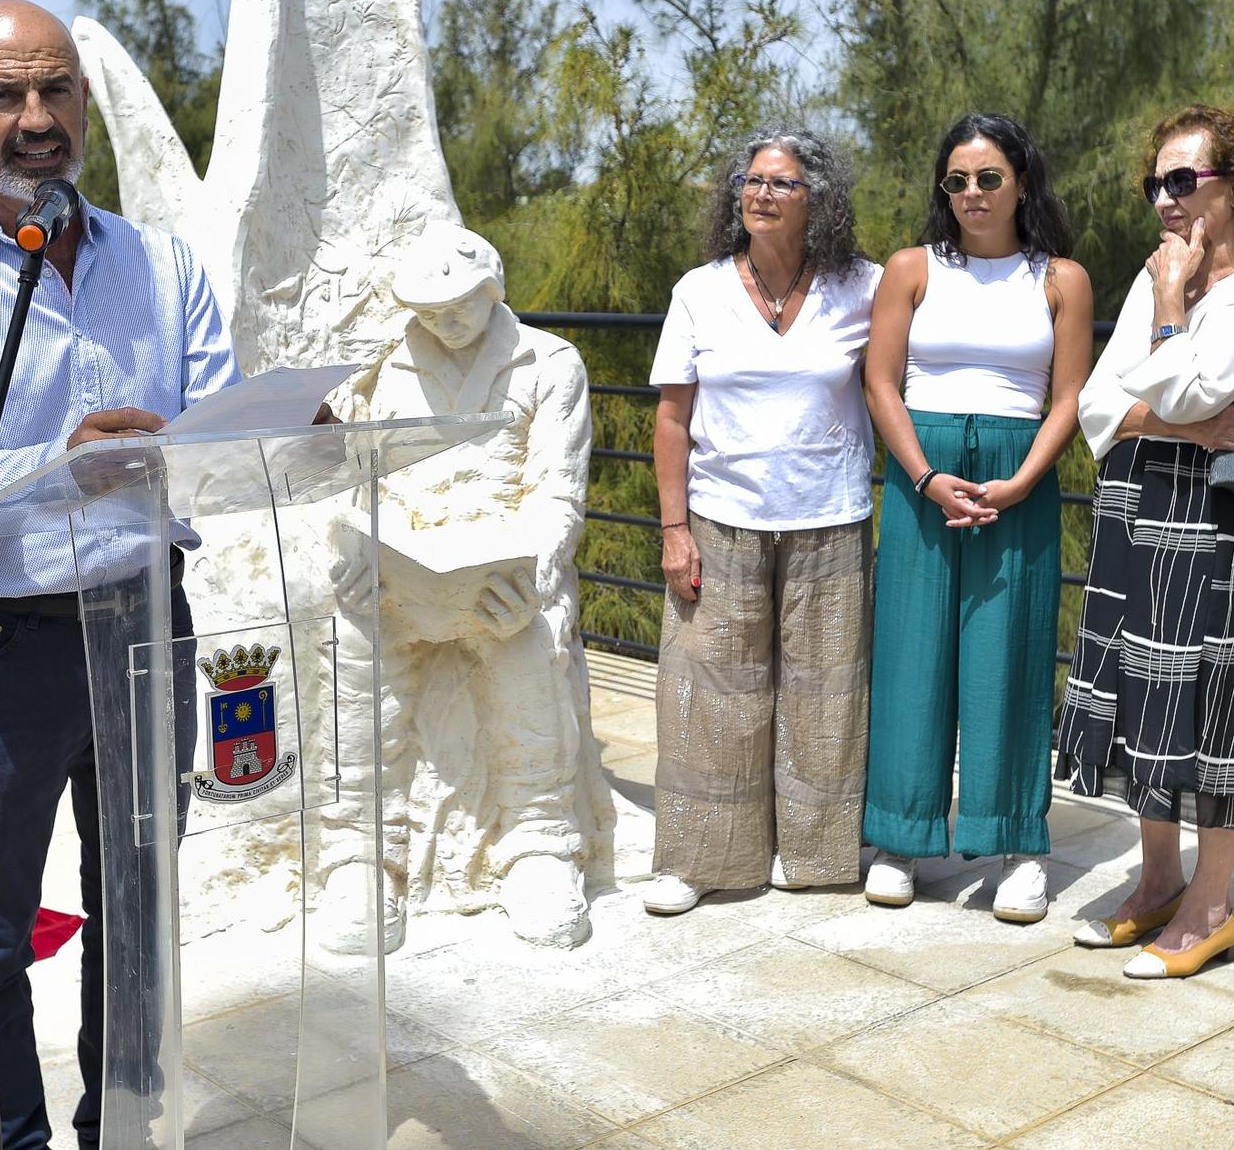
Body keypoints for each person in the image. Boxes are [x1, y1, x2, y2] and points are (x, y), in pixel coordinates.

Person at [0, 0, 241, 1150]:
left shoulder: (163, 265)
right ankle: (7, 1139)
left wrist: (282, 425)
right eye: (4, 95)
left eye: (56, 89)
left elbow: (216, 421)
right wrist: (61, 465)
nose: (37, 118)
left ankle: (116, 1122)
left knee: (136, 909)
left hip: (144, 626)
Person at [1057, 103, 1234, 979]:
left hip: (1223, 517)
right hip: (1136, 503)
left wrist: (1170, 311)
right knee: (1137, 689)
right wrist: (1186, 429)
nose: (1165, 199)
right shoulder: (1151, 275)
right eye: (1156, 182)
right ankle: (1158, 877)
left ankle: (1212, 906)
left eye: (1183, 181)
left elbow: (1195, 389)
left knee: (1219, 697)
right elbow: (1096, 406)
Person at [322, 220, 615, 950]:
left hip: (500, 572)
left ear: (493, 288)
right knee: (356, 645)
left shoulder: (550, 363)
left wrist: (536, 574)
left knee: (530, 642)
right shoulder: (378, 368)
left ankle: (539, 843)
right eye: (429, 309)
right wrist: (350, 548)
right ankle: (360, 851)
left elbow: (558, 493)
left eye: (460, 304)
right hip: (401, 571)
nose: (446, 322)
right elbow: (343, 477)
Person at [860, 113, 1093, 922]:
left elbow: (1069, 398)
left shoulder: (1061, 278)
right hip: (922, 475)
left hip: (1017, 479)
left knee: (1009, 658)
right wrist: (923, 476)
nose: (971, 193)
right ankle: (899, 836)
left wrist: (1026, 479)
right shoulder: (912, 269)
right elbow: (881, 383)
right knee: (910, 654)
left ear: (1022, 181)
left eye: (988, 177)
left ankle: (1017, 844)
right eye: (956, 180)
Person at [645, 128, 882, 915]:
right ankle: (702, 858)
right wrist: (673, 529)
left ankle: (816, 855)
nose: (761, 193)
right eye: (750, 180)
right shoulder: (698, 290)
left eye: (781, 182)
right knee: (710, 686)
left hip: (832, 518)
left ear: (819, 199)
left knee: (827, 696)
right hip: (720, 516)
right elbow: (672, 418)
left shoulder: (864, 287)